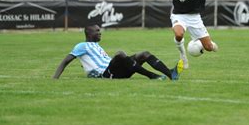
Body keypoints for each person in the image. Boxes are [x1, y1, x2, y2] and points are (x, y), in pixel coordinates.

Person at [145, 0, 218, 69]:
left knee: (209, 48)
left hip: (194, 17)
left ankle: (207, 44)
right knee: (179, 34)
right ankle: (183, 56)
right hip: (179, 14)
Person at [53, 25, 183, 80]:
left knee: (144, 53)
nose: (100, 32)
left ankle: (171, 74)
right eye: (97, 31)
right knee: (120, 53)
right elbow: (65, 61)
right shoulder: (82, 46)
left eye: (100, 30)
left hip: (116, 71)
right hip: (105, 75)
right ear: (89, 33)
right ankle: (152, 76)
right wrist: (54, 78)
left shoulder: (96, 46)